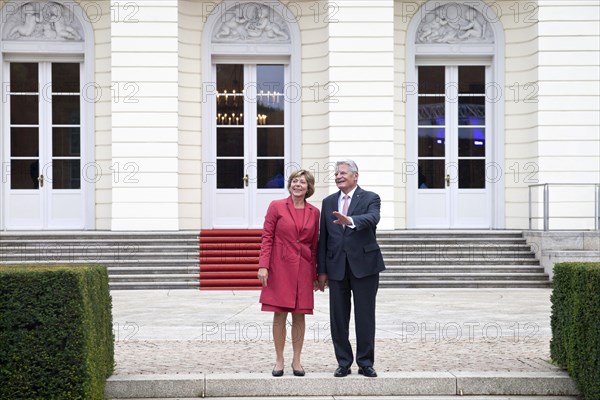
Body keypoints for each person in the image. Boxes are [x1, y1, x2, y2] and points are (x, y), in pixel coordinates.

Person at [317, 160, 385, 378]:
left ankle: (365, 362)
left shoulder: (370, 198)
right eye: (336, 173)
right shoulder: (328, 202)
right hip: (336, 267)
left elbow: (373, 218)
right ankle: (343, 362)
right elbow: (323, 238)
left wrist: (351, 220)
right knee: (338, 318)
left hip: (365, 267)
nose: (338, 176)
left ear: (355, 176)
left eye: (343, 173)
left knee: (365, 316)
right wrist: (321, 271)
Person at [257, 169, 320, 377]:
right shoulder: (276, 206)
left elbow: (314, 245)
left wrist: (316, 273)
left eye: (302, 182)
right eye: (294, 181)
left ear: (308, 187)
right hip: (279, 267)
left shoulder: (314, 212)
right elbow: (267, 237)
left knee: (300, 315)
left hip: (303, 268)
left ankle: (297, 360)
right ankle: (279, 359)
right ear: (289, 185)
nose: (297, 185)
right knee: (279, 314)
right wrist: (263, 265)